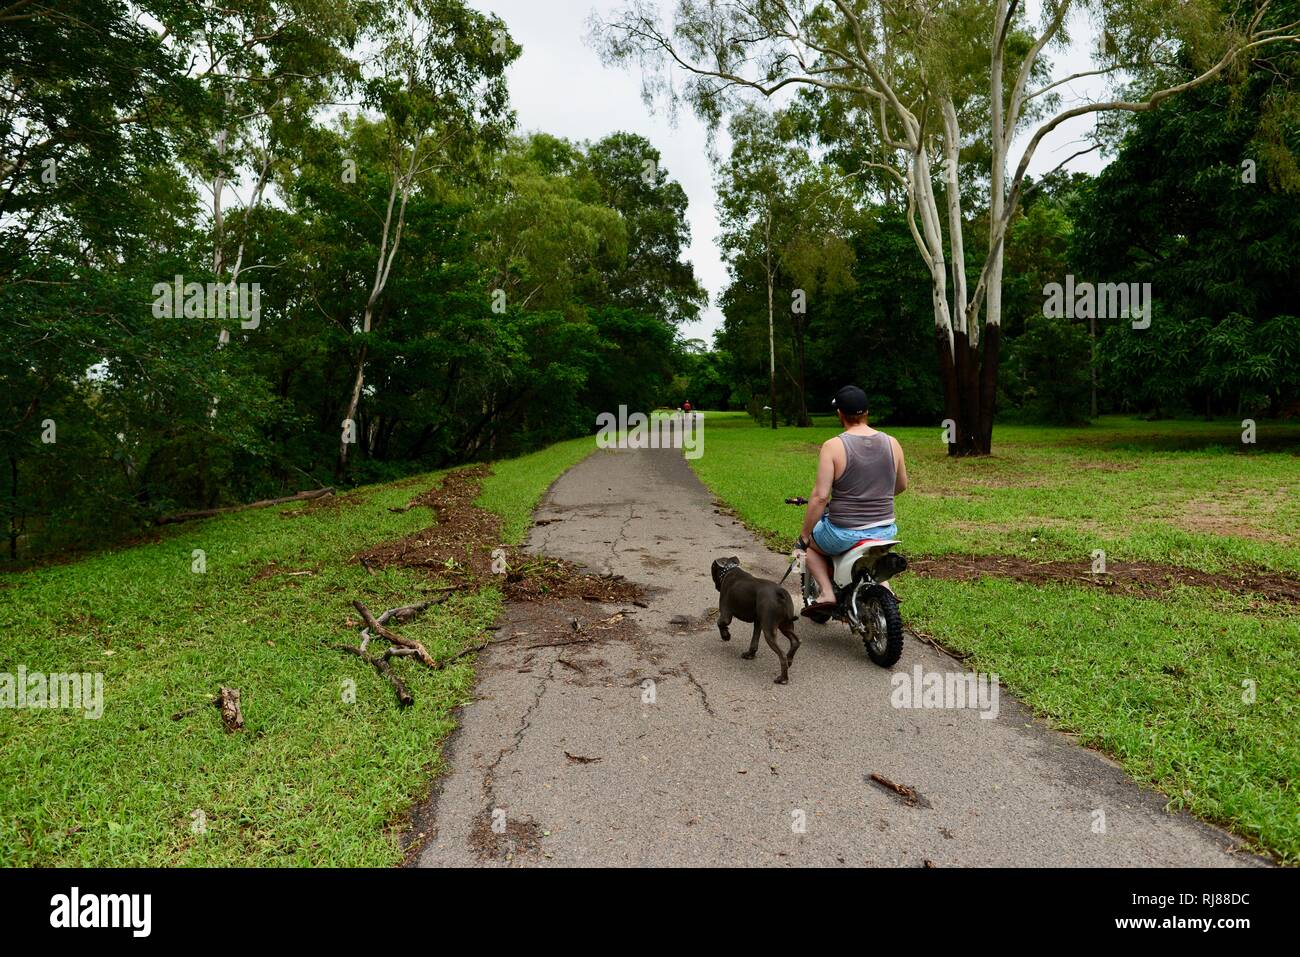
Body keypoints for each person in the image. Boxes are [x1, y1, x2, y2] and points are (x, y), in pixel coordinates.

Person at [794, 385, 908, 616]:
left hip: (844, 532)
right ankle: (884, 588)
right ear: (866, 412)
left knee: (808, 548)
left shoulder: (833, 446)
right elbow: (901, 485)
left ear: (839, 414)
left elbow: (820, 497)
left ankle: (826, 592)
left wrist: (804, 536)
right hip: (885, 530)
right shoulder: (892, 442)